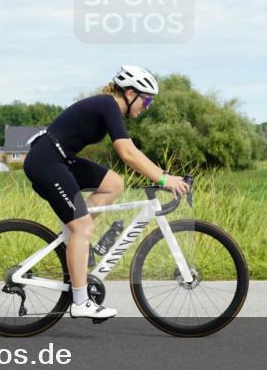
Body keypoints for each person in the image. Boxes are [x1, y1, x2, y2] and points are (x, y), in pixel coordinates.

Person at [23, 64, 190, 320]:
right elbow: (127, 153)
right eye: (146, 102)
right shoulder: (108, 105)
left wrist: (162, 176)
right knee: (82, 228)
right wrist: (164, 179)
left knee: (114, 183)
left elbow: (130, 150)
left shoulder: (109, 108)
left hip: (60, 160)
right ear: (131, 92)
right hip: (45, 162)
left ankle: (76, 237)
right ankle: (80, 300)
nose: (146, 108)